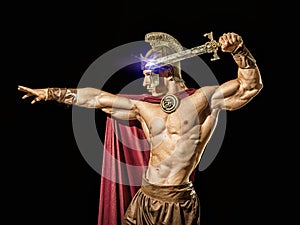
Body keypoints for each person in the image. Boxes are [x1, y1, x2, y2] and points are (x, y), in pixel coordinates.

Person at [18, 32, 263, 225]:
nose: (145, 82)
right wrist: (51, 93)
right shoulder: (143, 107)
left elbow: (249, 87)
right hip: (144, 198)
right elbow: (97, 99)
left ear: (166, 71)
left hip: (176, 202)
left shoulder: (203, 100)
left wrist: (239, 51)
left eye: (149, 75)